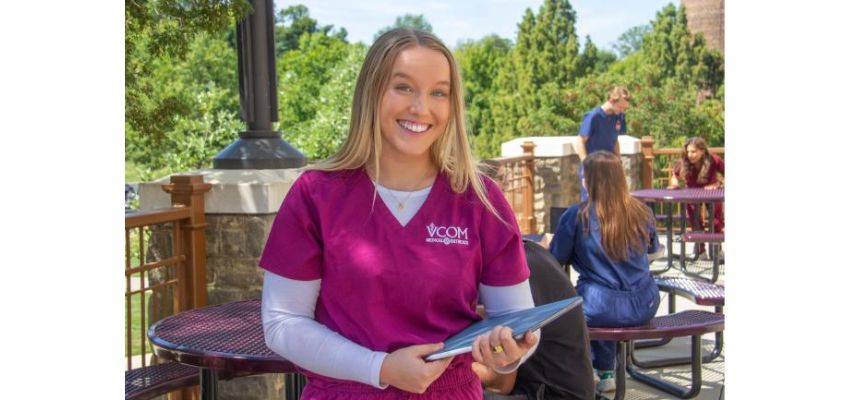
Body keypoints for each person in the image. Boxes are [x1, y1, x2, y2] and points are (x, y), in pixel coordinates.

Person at [259, 28, 539, 400]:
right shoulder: (316, 194)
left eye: (438, 92)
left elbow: (519, 326)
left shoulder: (481, 201)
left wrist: (509, 353)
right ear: (371, 92)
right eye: (403, 87)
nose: (421, 108)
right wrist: (381, 368)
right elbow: (283, 323)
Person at [549, 151, 661, 394]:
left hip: (599, 308)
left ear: (590, 180)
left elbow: (556, 259)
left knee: (582, 304)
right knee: (603, 298)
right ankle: (606, 371)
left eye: (584, 177)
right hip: (645, 303)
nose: (582, 181)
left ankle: (589, 370)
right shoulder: (643, 212)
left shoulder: (577, 215)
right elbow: (653, 250)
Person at [475, 240, 596, 400]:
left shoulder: (511, 277)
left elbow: (502, 383)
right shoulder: (529, 254)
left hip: (547, 394)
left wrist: (449, 369)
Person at [667, 137, 725, 260]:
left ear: (702, 150)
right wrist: (675, 184)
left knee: (716, 221)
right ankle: (700, 251)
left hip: (712, 194)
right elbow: (674, 177)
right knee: (695, 222)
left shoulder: (714, 160)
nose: (690, 155)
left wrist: (719, 184)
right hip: (692, 194)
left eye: (693, 152)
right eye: (688, 151)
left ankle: (717, 250)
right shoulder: (683, 162)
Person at [575, 86, 631, 201]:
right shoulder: (594, 116)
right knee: (591, 203)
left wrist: (618, 162)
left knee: (612, 203)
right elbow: (580, 141)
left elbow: (615, 140)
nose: (622, 111)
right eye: (621, 107)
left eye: (625, 108)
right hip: (593, 166)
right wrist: (586, 164)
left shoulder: (619, 116)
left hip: (610, 166)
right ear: (611, 100)